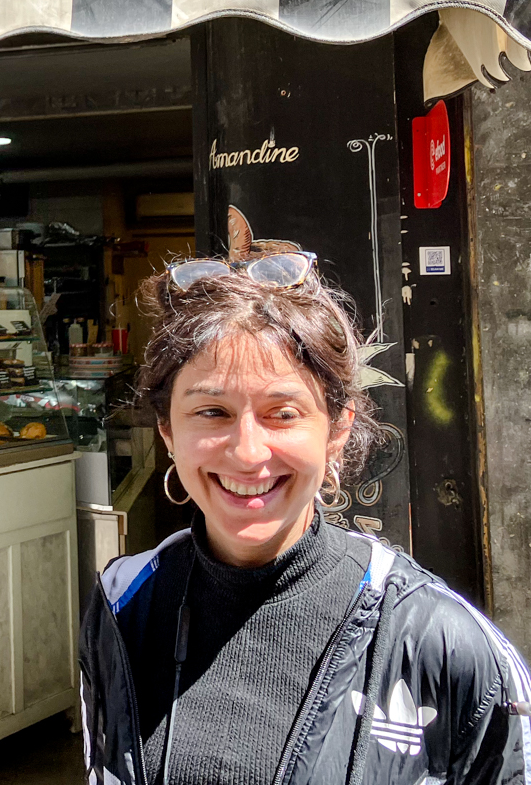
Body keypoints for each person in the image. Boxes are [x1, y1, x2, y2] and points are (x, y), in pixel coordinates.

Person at [78, 252, 530, 785]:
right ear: (168, 432)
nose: (248, 453)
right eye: (212, 412)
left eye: (283, 413)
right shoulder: (123, 606)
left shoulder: (437, 640)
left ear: (337, 429)